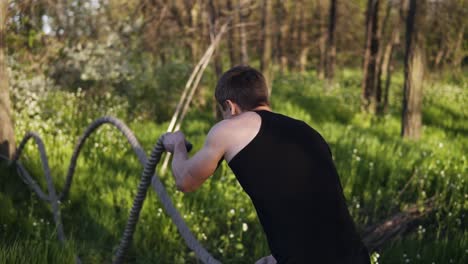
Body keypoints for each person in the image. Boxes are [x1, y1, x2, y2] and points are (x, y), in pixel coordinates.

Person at [162, 66, 370, 264]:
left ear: (230, 106)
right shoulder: (309, 133)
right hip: (355, 257)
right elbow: (314, 207)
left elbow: (184, 181)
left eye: (223, 112)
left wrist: (177, 144)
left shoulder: (229, 128)